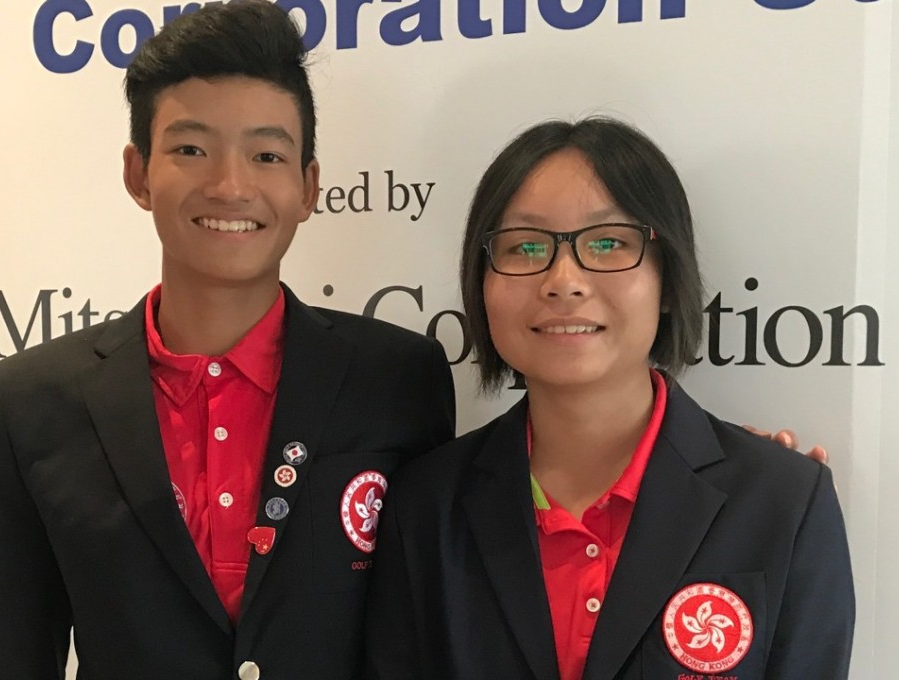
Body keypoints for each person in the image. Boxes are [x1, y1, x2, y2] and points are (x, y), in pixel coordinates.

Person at [0, 3, 455, 678]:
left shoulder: (399, 379)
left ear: (308, 186)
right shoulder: (29, 401)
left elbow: (426, 631)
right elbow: (16, 653)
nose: (231, 186)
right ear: (139, 174)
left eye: (267, 155)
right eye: (191, 150)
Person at [364, 118, 855, 679]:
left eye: (607, 243)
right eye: (525, 246)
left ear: (668, 279)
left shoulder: (784, 502)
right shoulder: (426, 507)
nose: (563, 280)